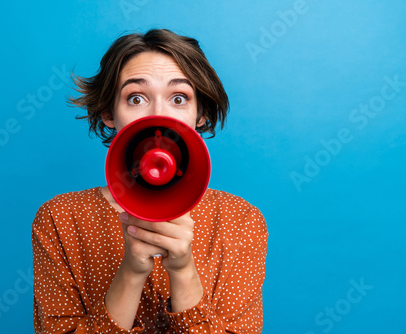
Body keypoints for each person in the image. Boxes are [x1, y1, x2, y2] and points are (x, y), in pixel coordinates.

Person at [32, 28, 268, 333]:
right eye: (137, 98)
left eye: (179, 98)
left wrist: (182, 271)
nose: (158, 115)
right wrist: (131, 272)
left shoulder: (240, 220)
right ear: (108, 113)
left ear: (200, 115)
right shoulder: (60, 219)